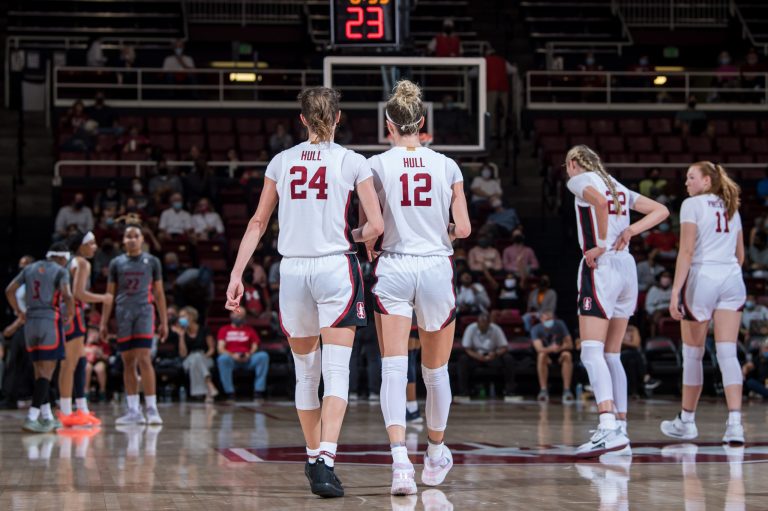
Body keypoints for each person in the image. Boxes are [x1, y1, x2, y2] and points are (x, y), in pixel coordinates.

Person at [225, 86, 384, 498]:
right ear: (338, 118)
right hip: (334, 266)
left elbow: (258, 223)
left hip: (292, 271)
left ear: (301, 120)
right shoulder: (353, 161)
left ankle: (313, 453)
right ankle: (325, 462)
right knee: (335, 371)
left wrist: (237, 274)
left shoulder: (281, 161)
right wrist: (354, 234)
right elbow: (377, 227)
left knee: (305, 372)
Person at [366, 79, 471, 495]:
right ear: (422, 123)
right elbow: (462, 228)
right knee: (435, 370)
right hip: (433, 265)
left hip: (393, 263)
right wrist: (442, 228)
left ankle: (399, 465)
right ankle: (434, 453)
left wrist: (360, 236)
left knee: (394, 367)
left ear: (388, 124)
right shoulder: (448, 165)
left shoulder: (375, 165)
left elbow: (371, 228)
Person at [565, 144, 669, 456]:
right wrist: (631, 231)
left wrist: (598, 244)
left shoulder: (581, 180)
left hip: (604, 267)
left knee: (591, 351)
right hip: (627, 268)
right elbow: (661, 210)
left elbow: (596, 203)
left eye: (566, 165)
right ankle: (621, 429)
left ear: (574, 163)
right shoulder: (616, 184)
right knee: (613, 354)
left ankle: (608, 425)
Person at [661, 161, 748, 444]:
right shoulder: (731, 206)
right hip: (732, 277)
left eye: (691, 177)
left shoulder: (691, 205)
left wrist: (674, 292)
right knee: (727, 353)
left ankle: (687, 421)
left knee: (693, 353)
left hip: (704, 277)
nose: (686, 183)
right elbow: (741, 255)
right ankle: (735, 424)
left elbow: (686, 251)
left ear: (707, 182)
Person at [100, 225, 169, 425]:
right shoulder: (116, 263)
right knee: (127, 361)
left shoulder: (152, 261)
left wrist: (164, 321)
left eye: (135, 236)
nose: (131, 239)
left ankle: (152, 408)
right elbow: (109, 295)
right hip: (123, 314)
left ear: (142, 239)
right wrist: (104, 323)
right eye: (128, 236)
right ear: (123, 241)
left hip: (144, 312)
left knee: (144, 359)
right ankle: (133, 410)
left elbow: (159, 293)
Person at [5, 243, 75, 432]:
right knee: (48, 371)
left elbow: (9, 290)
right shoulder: (61, 271)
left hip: (30, 322)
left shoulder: (29, 269)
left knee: (39, 371)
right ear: (62, 258)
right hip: (49, 320)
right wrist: (71, 313)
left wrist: (19, 312)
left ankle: (46, 416)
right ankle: (32, 416)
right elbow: (67, 295)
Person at [57, 231, 113, 428]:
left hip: (71, 312)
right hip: (72, 311)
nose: (95, 247)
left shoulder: (70, 261)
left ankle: (81, 408)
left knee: (80, 361)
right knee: (69, 364)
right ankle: (65, 411)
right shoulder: (81, 263)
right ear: (81, 246)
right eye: (91, 243)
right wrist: (103, 298)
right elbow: (79, 294)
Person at [456, 313, 518, 402]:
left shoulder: (496, 329)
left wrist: (495, 353)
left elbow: (504, 347)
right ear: (477, 323)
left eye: (485, 323)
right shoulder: (470, 328)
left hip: (492, 356)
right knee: (463, 359)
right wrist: (477, 356)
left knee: (508, 359)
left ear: (489, 323)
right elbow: (467, 348)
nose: (483, 325)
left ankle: (510, 391)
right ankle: (463, 392)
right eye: (481, 322)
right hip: (475, 355)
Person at [216, 309, 269, 402]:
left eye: (241, 316)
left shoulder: (249, 330)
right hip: (231, 359)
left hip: (248, 359)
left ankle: (258, 391)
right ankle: (229, 393)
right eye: (237, 315)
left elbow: (255, 345)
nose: (238, 317)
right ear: (231, 315)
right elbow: (220, 348)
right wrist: (233, 355)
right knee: (222, 358)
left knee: (263, 356)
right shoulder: (224, 329)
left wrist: (249, 354)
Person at [167, 307, 216, 402]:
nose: (181, 319)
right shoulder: (181, 332)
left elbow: (211, 349)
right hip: (187, 360)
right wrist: (181, 336)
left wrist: (202, 358)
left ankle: (204, 393)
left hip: (205, 358)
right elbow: (183, 354)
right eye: (180, 317)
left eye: (183, 316)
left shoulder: (204, 329)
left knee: (197, 359)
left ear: (192, 316)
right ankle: (209, 385)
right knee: (195, 358)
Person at [531, 311, 574, 403]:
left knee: (567, 355)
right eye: (547, 319)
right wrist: (550, 349)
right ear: (541, 319)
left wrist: (559, 348)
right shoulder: (535, 329)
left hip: (560, 353)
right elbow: (539, 349)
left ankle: (567, 390)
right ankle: (543, 390)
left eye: (551, 319)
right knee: (541, 355)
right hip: (547, 355)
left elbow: (570, 344)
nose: (549, 322)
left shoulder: (560, 324)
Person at [620, 325, 661, 398]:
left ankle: (633, 392)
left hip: (628, 355)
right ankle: (646, 378)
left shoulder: (633, 329)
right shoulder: (614, 326)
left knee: (632, 362)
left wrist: (622, 341)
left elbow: (636, 344)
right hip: (617, 354)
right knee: (636, 354)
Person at [484, 47, 516, 140]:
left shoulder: (485, 60)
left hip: (491, 88)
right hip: (503, 88)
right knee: (504, 111)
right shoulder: (503, 61)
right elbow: (513, 70)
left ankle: (492, 131)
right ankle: (503, 131)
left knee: (490, 110)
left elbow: (473, 73)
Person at [645, 271, 673, 337]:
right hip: (657, 311)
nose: (666, 279)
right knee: (656, 315)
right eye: (664, 277)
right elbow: (648, 306)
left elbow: (678, 303)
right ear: (660, 278)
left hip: (670, 311)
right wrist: (655, 311)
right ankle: (654, 338)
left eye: (668, 277)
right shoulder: (653, 290)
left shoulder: (674, 289)